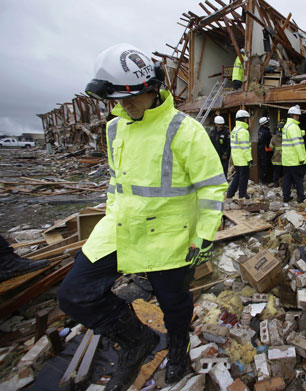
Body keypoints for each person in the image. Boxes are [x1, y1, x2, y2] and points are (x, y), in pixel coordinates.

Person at [57, 43, 227, 390]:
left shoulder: (185, 130)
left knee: (174, 304)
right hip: (122, 227)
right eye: (117, 99)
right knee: (74, 294)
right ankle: (139, 340)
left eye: (130, 97)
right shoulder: (115, 128)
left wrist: (204, 236)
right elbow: (117, 183)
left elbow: (212, 188)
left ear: (153, 89)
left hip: (170, 237)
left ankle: (178, 345)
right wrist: (109, 219)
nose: (124, 105)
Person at [282, 105, 306, 203]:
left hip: (287, 159)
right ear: (293, 115)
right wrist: (302, 158)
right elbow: (297, 144)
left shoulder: (287, 126)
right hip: (295, 160)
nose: (298, 117)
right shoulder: (294, 127)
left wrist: (302, 132)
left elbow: (293, 137)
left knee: (287, 179)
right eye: (297, 115)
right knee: (298, 180)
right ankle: (300, 198)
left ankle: (286, 197)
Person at [227, 109, 252, 199]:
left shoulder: (235, 130)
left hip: (237, 158)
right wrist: (249, 159)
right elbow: (245, 148)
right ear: (243, 119)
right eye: (246, 119)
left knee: (237, 176)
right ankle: (242, 194)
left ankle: (230, 193)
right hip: (243, 159)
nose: (247, 120)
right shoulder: (243, 132)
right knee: (243, 177)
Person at [257, 116, 272, 184]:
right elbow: (269, 140)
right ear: (264, 124)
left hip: (261, 150)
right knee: (265, 166)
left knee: (262, 165)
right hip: (264, 151)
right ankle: (264, 180)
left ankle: (262, 179)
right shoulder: (266, 132)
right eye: (267, 123)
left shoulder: (260, 130)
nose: (268, 124)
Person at [269, 120, 284, 188]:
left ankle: (275, 183)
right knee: (286, 172)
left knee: (276, 172)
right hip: (285, 158)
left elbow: (271, 148)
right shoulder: (287, 137)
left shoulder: (274, 138)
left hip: (276, 158)